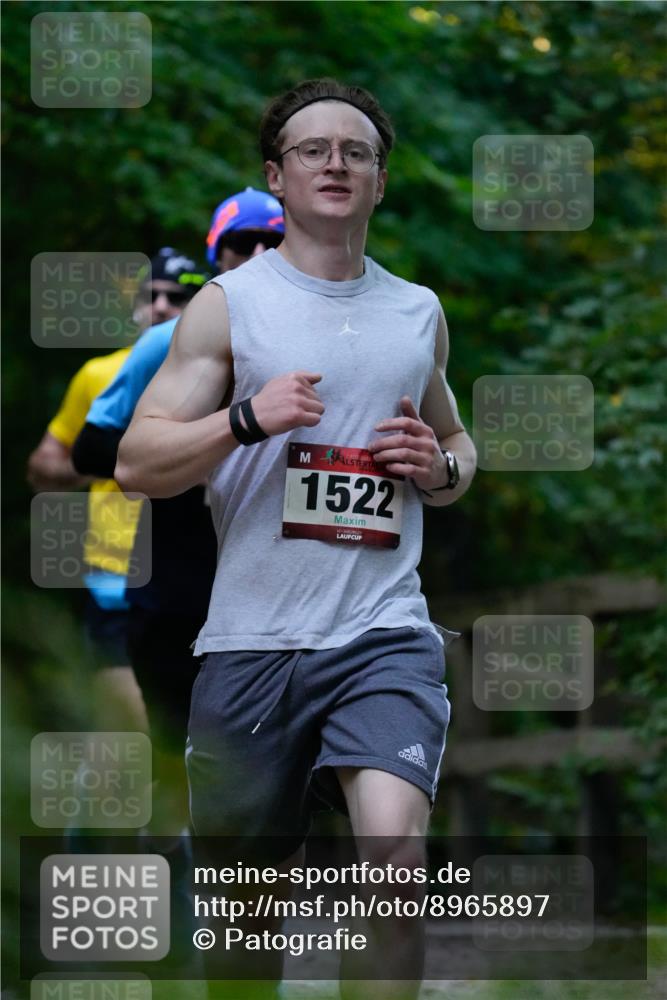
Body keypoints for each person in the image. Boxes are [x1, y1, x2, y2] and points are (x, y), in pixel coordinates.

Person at [115, 80, 477, 999]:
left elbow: (459, 446)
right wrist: (245, 419)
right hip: (251, 643)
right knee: (247, 920)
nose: (334, 164)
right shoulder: (229, 307)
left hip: (382, 631)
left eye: (354, 152)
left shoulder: (416, 311)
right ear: (278, 176)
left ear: (380, 181)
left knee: (392, 861)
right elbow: (139, 462)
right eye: (312, 150)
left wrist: (436, 467)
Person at [71, 189, 285, 839]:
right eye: (240, 244)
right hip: (170, 591)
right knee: (157, 758)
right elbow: (91, 448)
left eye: (271, 243)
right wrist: (197, 449)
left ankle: (221, 929)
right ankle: (89, 872)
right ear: (214, 254)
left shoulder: (320, 345)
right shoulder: (165, 343)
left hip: (268, 599)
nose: (256, 256)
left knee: (247, 773)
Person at [27, 248, 206, 732]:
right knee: (128, 734)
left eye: (178, 297)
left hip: (191, 581)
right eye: (152, 296)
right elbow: (44, 465)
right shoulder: (100, 374)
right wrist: (128, 462)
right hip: (113, 576)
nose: (163, 307)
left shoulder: (215, 374)